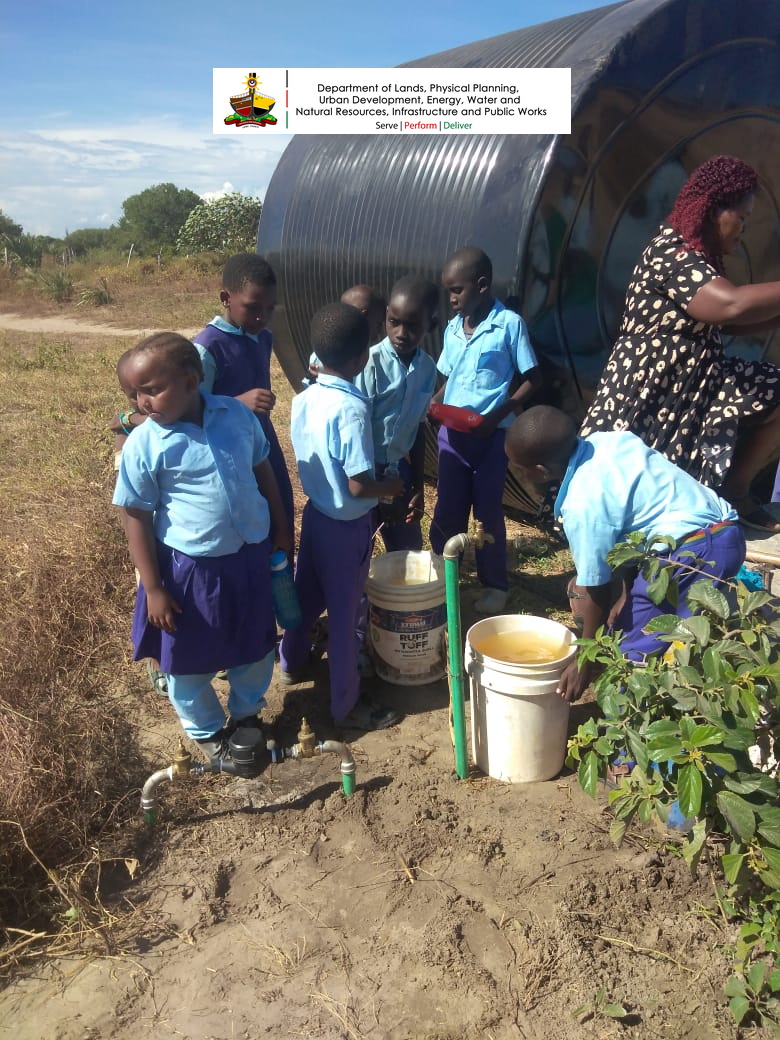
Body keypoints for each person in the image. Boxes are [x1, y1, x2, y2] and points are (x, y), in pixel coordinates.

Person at [112, 332, 292, 762]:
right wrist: (154, 588)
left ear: (192, 380)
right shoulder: (146, 443)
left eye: (151, 389)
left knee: (255, 644)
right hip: (190, 570)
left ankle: (247, 715)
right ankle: (209, 732)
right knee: (188, 661)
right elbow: (134, 515)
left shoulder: (236, 416)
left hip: (250, 558)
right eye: (134, 394)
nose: (141, 403)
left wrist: (282, 531)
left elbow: (263, 472)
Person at [580, 155, 780, 532]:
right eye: (742, 217)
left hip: (699, 382)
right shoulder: (671, 251)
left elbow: (725, 322)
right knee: (629, 494)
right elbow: (729, 305)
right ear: (712, 210)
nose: (744, 228)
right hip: (651, 389)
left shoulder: (702, 259)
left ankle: (735, 492)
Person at [505, 405, 746, 703]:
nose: (516, 471)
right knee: (668, 630)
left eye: (518, 467)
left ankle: (627, 739)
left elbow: (595, 587)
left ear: (540, 472)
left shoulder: (583, 505)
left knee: (631, 655)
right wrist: (627, 594)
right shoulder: (609, 441)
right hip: (726, 534)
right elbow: (636, 530)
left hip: (690, 555)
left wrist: (584, 659)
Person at [279, 303, 404, 730]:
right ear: (361, 358)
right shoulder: (351, 409)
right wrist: (389, 487)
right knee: (347, 614)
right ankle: (346, 705)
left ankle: (292, 662)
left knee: (306, 599)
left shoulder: (304, 398)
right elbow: (357, 485)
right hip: (348, 528)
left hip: (315, 517)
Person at [429, 246, 541, 614]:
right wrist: (434, 403)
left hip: (491, 437)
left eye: (457, 290)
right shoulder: (451, 329)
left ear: (481, 285)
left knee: (488, 511)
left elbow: (531, 379)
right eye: (448, 291)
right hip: (453, 437)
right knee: (448, 508)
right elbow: (450, 376)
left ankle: (494, 585)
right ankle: (444, 575)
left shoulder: (508, 325)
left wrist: (498, 415)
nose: (452, 299)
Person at [193, 252, 295, 545]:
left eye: (269, 308)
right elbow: (190, 413)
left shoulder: (263, 336)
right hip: (228, 452)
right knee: (250, 526)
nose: (262, 316)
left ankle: (281, 583)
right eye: (252, 308)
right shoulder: (207, 348)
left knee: (280, 516)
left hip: (262, 442)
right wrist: (237, 402)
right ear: (226, 298)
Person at [354, 274, 438, 551]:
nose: (401, 333)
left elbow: (417, 429)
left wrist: (417, 488)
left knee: (408, 546)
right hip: (365, 470)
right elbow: (358, 429)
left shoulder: (427, 369)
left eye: (412, 326)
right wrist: (379, 491)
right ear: (387, 316)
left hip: (398, 469)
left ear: (432, 325)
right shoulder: (370, 362)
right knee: (358, 545)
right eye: (394, 322)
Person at [307, 284, 387, 384]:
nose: (380, 331)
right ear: (364, 317)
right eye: (378, 324)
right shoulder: (369, 358)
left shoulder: (319, 355)